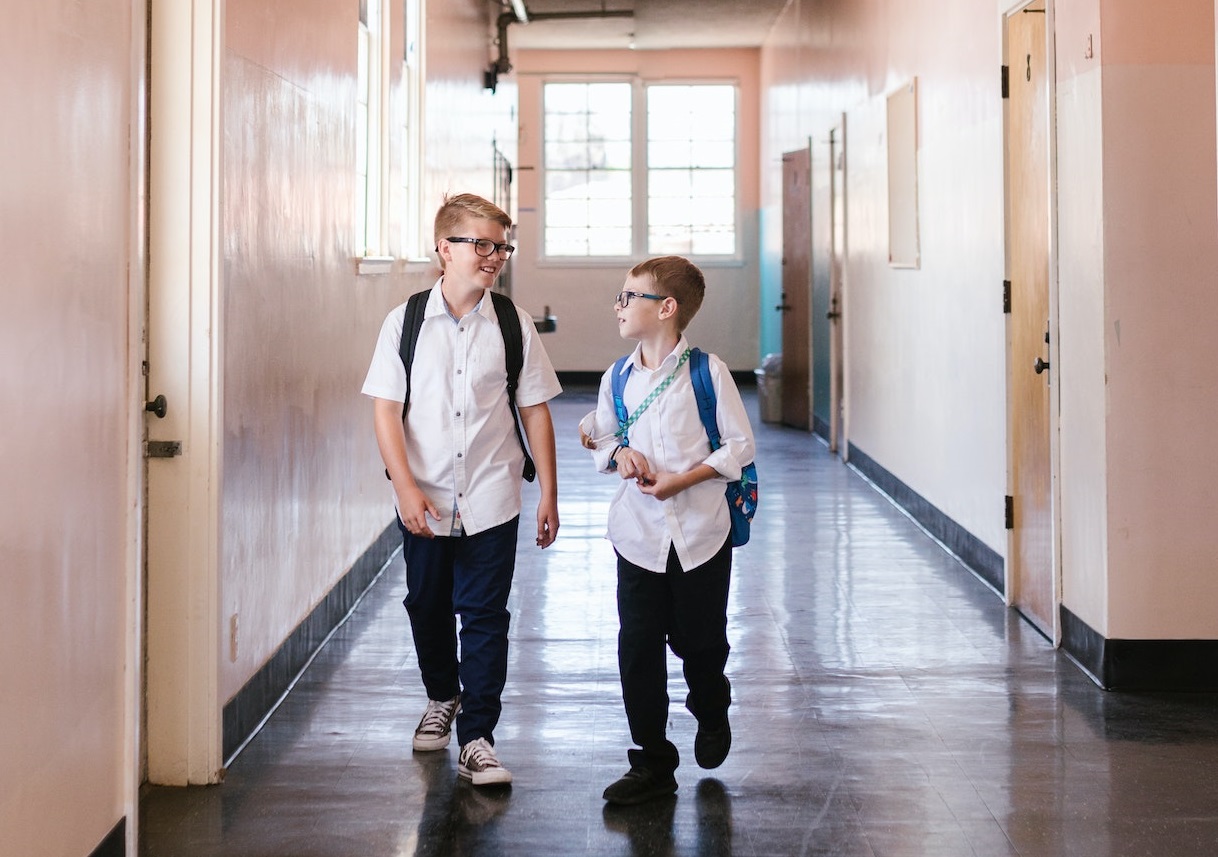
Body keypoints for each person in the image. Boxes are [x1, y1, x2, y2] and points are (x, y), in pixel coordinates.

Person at [362, 193, 561, 787]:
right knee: (426, 603)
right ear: (443, 249)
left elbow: (536, 412)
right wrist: (404, 489)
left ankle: (478, 735)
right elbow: (386, 410)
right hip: (423, 496)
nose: (495, 255)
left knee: (483, 613)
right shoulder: (404, 322)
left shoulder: (511, 323)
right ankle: (442, 695)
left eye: (501, 245)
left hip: (492, 494)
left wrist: (549, 492)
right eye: (482, 244)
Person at [581, 256, 756, 805]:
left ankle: (710, 704)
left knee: (700, 643)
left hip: (702, 535)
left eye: (629, 296)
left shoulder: (708, 372)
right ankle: (653, 761)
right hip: (637, 536)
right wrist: (620, 452)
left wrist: (683, 480)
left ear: (667, 309)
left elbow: (739, 447)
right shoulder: (618, 377)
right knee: (638, 647)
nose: (619, 305)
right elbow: (603, 437)